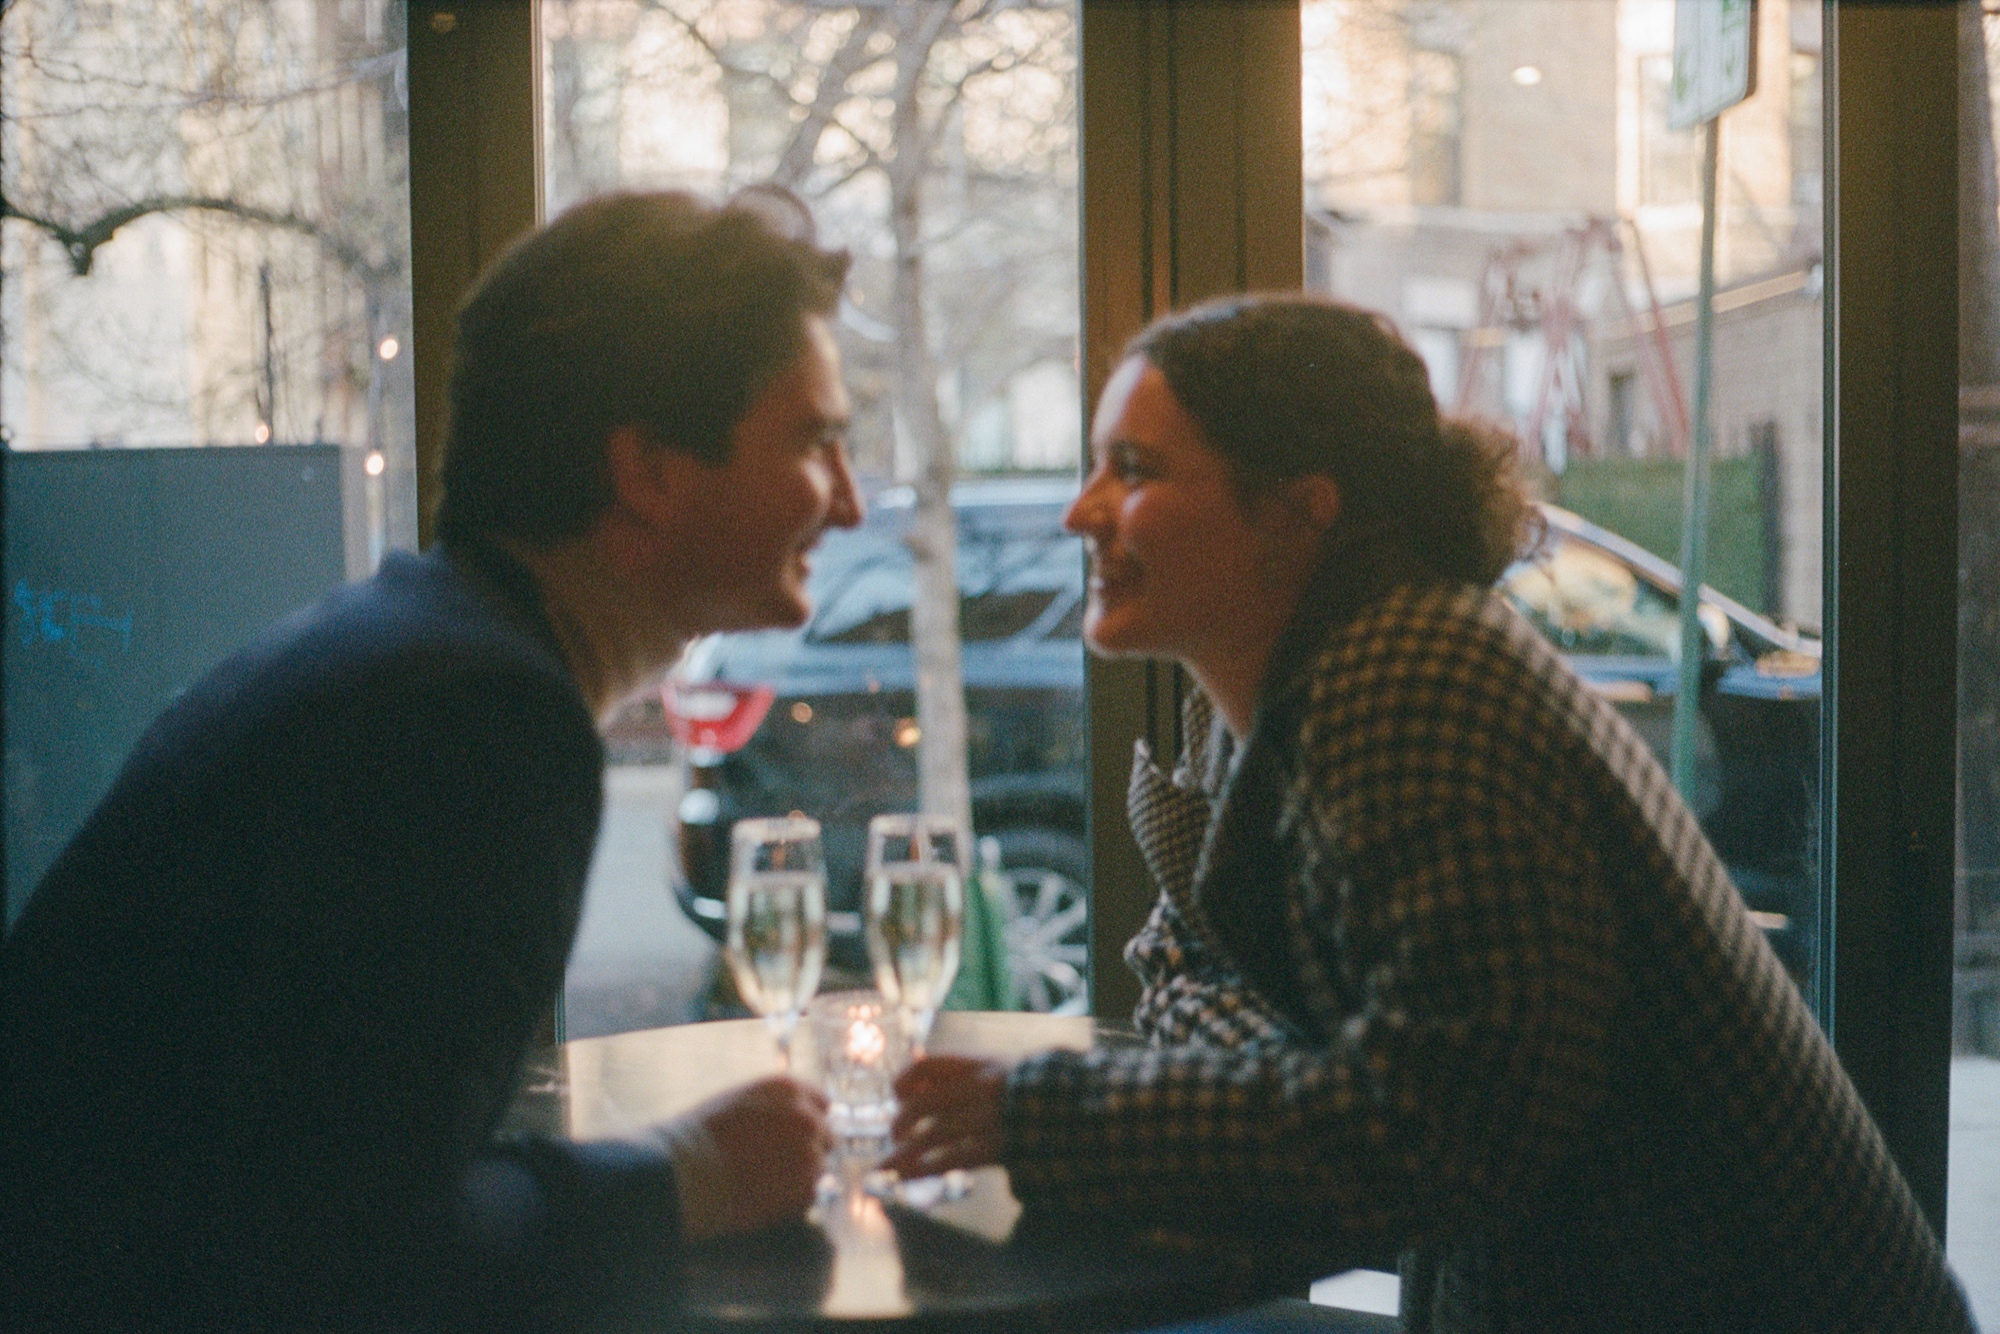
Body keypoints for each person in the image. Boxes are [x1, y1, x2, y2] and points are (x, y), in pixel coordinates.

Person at [887, 294, 1975, 1332]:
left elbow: (1428, 1137)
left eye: (1132, 469)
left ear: (1298, 507)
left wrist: (1045, 1115)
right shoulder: (1274, 696)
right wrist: (1291, 1074)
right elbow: (1197, 989)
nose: (1080, 509)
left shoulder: (1410, 675)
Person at [1, 189, 862, 1332]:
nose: (847, 501)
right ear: (647, 470)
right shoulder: (475, 722)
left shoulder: (405, 653)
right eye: (813, 440)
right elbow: (349, 1259)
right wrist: (684, 1177)